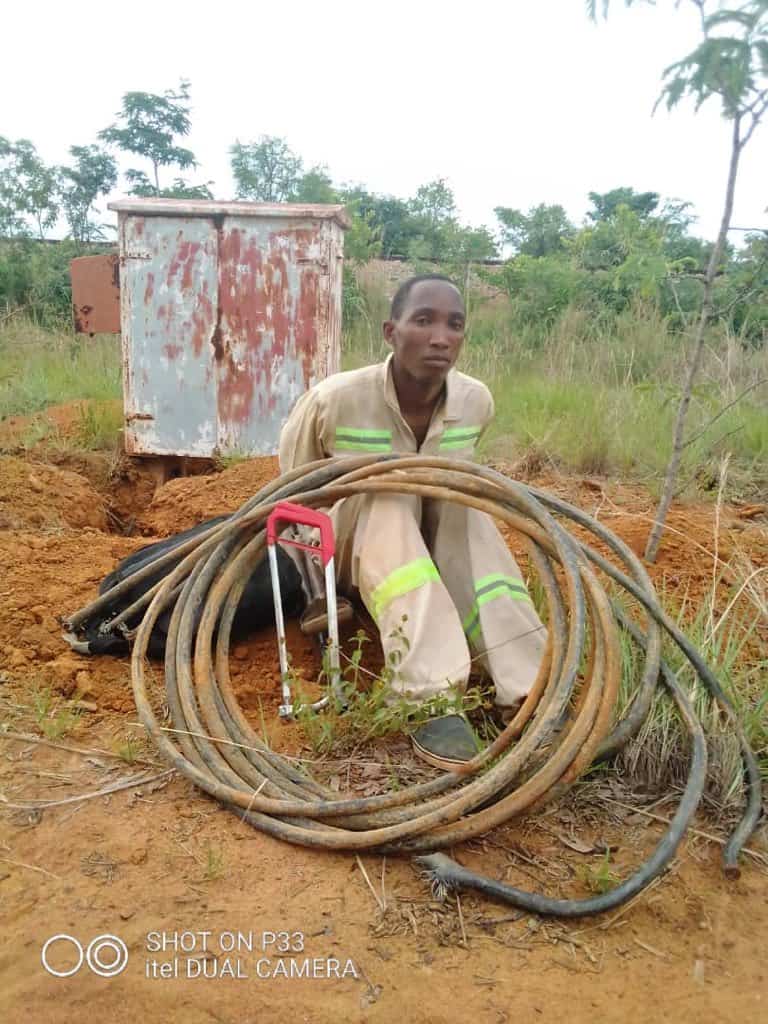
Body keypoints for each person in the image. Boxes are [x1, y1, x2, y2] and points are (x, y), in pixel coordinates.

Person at [279, 273, 546, 770]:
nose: (441, 337)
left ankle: (529, 687)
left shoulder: (476, 403)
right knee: (389, 491)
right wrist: (315, 589)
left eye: (454, 325)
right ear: (391, 331)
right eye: (423, 321)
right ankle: (430, 698)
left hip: (435, 548)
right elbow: (293, 500)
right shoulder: (334, 401)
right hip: (348, 550)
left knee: (468, 501)